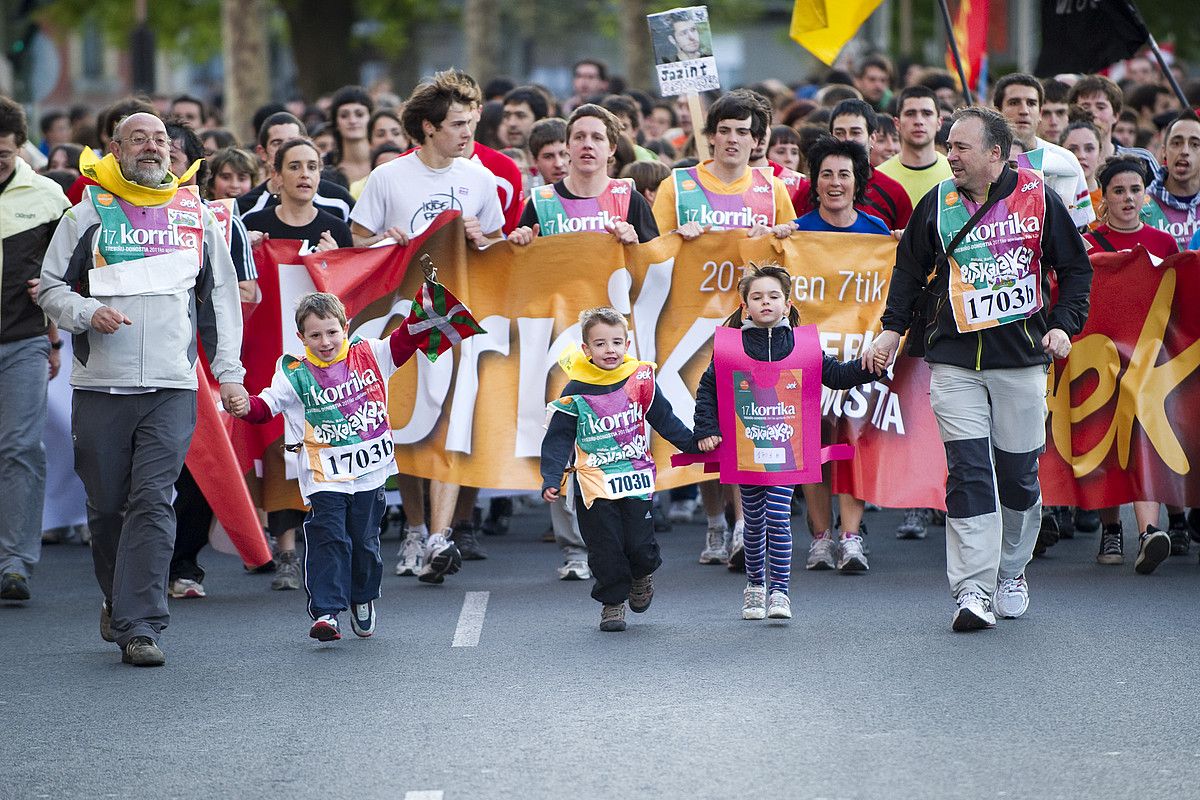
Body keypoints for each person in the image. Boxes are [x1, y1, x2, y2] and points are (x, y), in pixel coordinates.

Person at [862, 107, 1091, 632]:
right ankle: (972, 589)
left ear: (996, 154)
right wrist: (892, 329)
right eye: (949, 146)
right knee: (967, 473)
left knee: (1018, 477)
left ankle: (1011, 570)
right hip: (954, 360)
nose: (951, 156)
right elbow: (908, 270)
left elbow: (1074, 269)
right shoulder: (936, 203)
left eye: (962, 147)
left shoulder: (1036, 197)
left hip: (1021, 359)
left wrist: (1063, 324)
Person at [38, 112, 247, 665]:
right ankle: (118, 599)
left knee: (154, 500)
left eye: (161, 141)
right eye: (140, 139)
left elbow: (221, 300)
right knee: (107, 508)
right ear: (116, 148)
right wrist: (85, 312)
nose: (153, 148)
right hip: (101, 386)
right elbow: (51, 288)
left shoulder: (195, 215)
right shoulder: (86, 212)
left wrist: (229, 375)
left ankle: (141, 626)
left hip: (171, 385)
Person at [352, 69, 506, 578]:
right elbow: (358, 247)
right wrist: (385, 240)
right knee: (408, 425)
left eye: (469, 122)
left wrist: (487, 239)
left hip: (454, 315)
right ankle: (415, 529)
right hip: (400, 319)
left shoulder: (480, 179)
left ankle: (440, 537)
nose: (467, 133)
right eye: (457, 124)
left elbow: (496, 255)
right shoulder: (388, 178)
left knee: (449, 420)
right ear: (427, 127)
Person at [650, 88, 797, 566]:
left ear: (757, 141)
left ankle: (741, 527)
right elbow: (652, 254)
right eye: (725, 131)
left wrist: (782, 235)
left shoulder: (770, 188)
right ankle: (715, 524)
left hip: (748, 329)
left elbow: (792, 252)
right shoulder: (679, 185)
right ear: (710, 136)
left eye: (744, 132)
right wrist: (677, 237)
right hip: (687, 325)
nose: (734, 140)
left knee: (746, 426)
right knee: (705, 424)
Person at [231, 293, 429, 640]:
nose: (325, 342)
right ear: (301, 338)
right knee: (328, 538)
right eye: (315, 335)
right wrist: (245, 405)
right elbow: (266, 406)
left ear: (345, 329)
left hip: (370, 473)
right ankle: (326, 611)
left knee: (364, 542)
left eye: (332, 332)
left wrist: (426, 304)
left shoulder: (370, 353)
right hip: (324, 476)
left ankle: (363, 597)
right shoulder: (293, 371)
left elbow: (405, 340)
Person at [693, 263, 884, 619]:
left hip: (789, 451)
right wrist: (705, 429)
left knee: (778, 517)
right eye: (757, 297)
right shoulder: (728, 347)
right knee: (752, 521)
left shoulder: (803, 343)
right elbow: (708, 390)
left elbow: (836, 375)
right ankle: (754, 587)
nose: (765, 302)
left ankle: (779, 593)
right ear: (744, 306)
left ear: (787, 303)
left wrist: (868, 366)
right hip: (746, 450)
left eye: (773, 296)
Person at [539, 307, 697, 632]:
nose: (609, 350)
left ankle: (642, 575)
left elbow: (665, 420)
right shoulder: (576, 390)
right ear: (586, 350)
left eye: (615, 342)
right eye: (600, 344)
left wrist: (695, 444)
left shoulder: (639, 381)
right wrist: (551, 476)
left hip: (635, 478)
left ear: (627, 345)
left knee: (639, 544)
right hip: (595, 483)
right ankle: (612, 603)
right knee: (604, 546)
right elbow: (559, 438)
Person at [0, 98, 72, 603]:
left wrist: (51, 331)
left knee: (21, 448)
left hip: (22, 341)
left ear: (19, 148)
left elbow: (75, 269)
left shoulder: (49, 196)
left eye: (2, 155)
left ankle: (15, 563)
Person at [512, 104, 659, 244]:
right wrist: (523, 246)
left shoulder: (630, 199)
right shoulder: (541, 203)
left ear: (612, 149)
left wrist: (635, 245)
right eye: (579, 137)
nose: (587, 145)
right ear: (568, 146)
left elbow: (655, 263)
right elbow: (521, 264)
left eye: (597, 137)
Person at [993, 73, 1095, 230]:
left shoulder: (1065, 160)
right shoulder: (985, 160)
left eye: (1031, 103)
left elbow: (1080, 226)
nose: (1024, 110)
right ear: (997, 111)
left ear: (1040, 113)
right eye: (1014, 103)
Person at [791, 99, 913, 230]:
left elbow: (906, 245)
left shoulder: (893, 192)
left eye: (855, 133)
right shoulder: (808, 192)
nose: (847, 139)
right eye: (839, 133)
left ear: (872, 137)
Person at [237, 112, 354, 223]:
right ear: (262, 152)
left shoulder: (338, 200)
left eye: (294, 142)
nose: (286, 149)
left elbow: (359, 239)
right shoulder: (245, 209)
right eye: (277, 143)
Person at [245, 138, 353, 254]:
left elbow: (352, 271)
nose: (305, 174)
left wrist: (335, 261)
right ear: (277, 175)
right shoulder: (253, 224)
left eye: (312, 167)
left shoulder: (338, 229)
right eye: (294, 167)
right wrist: (247, 249)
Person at [1067, 75, 1160, 182]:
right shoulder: (1063, 161)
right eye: (1085, 107)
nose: (1093, 114)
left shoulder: (1142, 160)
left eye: (1101, 107)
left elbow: (1160, 197)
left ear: (1116, 115)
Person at [876, 85, 953, 208]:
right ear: (897, 123)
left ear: (939, 122)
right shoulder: (878, 178)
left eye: (927, 113)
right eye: (910, 113)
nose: (919, 121)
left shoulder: (955, 174)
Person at [1142, 109, 1200, 252]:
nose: (1185, 151)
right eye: (1176, 143)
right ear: (1164, 151)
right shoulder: (1142, 208)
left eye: (1195, 144)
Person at [325, 85, 374, 186]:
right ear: (336, 122)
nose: (352, 121)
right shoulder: (324, 165)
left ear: (371, 119)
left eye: (359, 114)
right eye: (344, 115)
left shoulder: (385, 160)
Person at [1061, 120, 1104, 223]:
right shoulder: (1053, 201)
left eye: (1089, 149)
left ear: (1100, 153)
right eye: (1072, 150)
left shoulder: (1112, 199)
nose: (1081, 156)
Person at [499, 86, 549, 153]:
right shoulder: (494, 161)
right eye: (506, 116)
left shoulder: (558, 161)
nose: (511, 123)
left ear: (540, 121)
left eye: (520, 116)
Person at [528, 117, 569, 188]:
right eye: (548, 157)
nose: (558, 164)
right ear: (535, 161)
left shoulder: (594, 197)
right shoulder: (532, 199)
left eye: (564, 154)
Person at [1037, 78, 1071, 145]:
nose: (1053, 122)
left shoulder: (1085, 154)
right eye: (1045, 114)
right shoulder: (1018, 153)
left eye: (1060, 113)